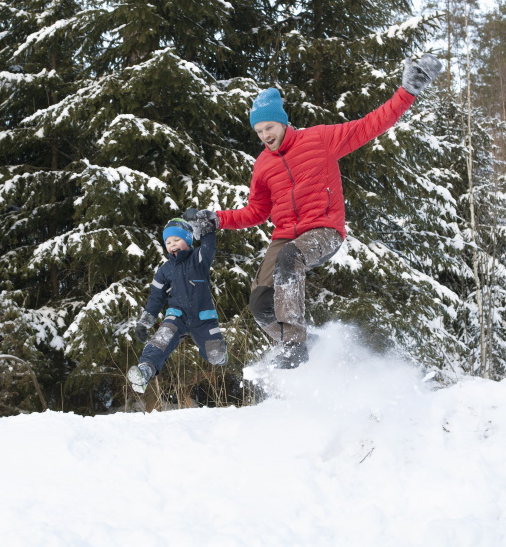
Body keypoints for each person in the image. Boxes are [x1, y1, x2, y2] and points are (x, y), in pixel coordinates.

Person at [187, 54, 443, 368]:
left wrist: (407, 93)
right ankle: (310, 344)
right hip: (285, 236)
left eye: (269, 127)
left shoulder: (319, 140)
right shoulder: (263, 165)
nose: (265, 135)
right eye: (259, 131)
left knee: (289, 257)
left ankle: (295, 346)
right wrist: (217, 219)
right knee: (260, 304)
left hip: (324, 230)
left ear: (282, 122)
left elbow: (369, 125)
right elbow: (256, 211)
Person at [127, 217, 228, 393]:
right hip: (177, 316)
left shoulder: (198, 259)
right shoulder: (164, 270)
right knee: (160, 341)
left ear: (188, 240)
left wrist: (204, 224)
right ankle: (145, 371)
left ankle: (220, 356)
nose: (172, 244)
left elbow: (209, 246)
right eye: (168, 242)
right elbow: (156, 298)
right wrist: (144, 322)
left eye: (177, 239)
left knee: (214, 354)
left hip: (203, 318)